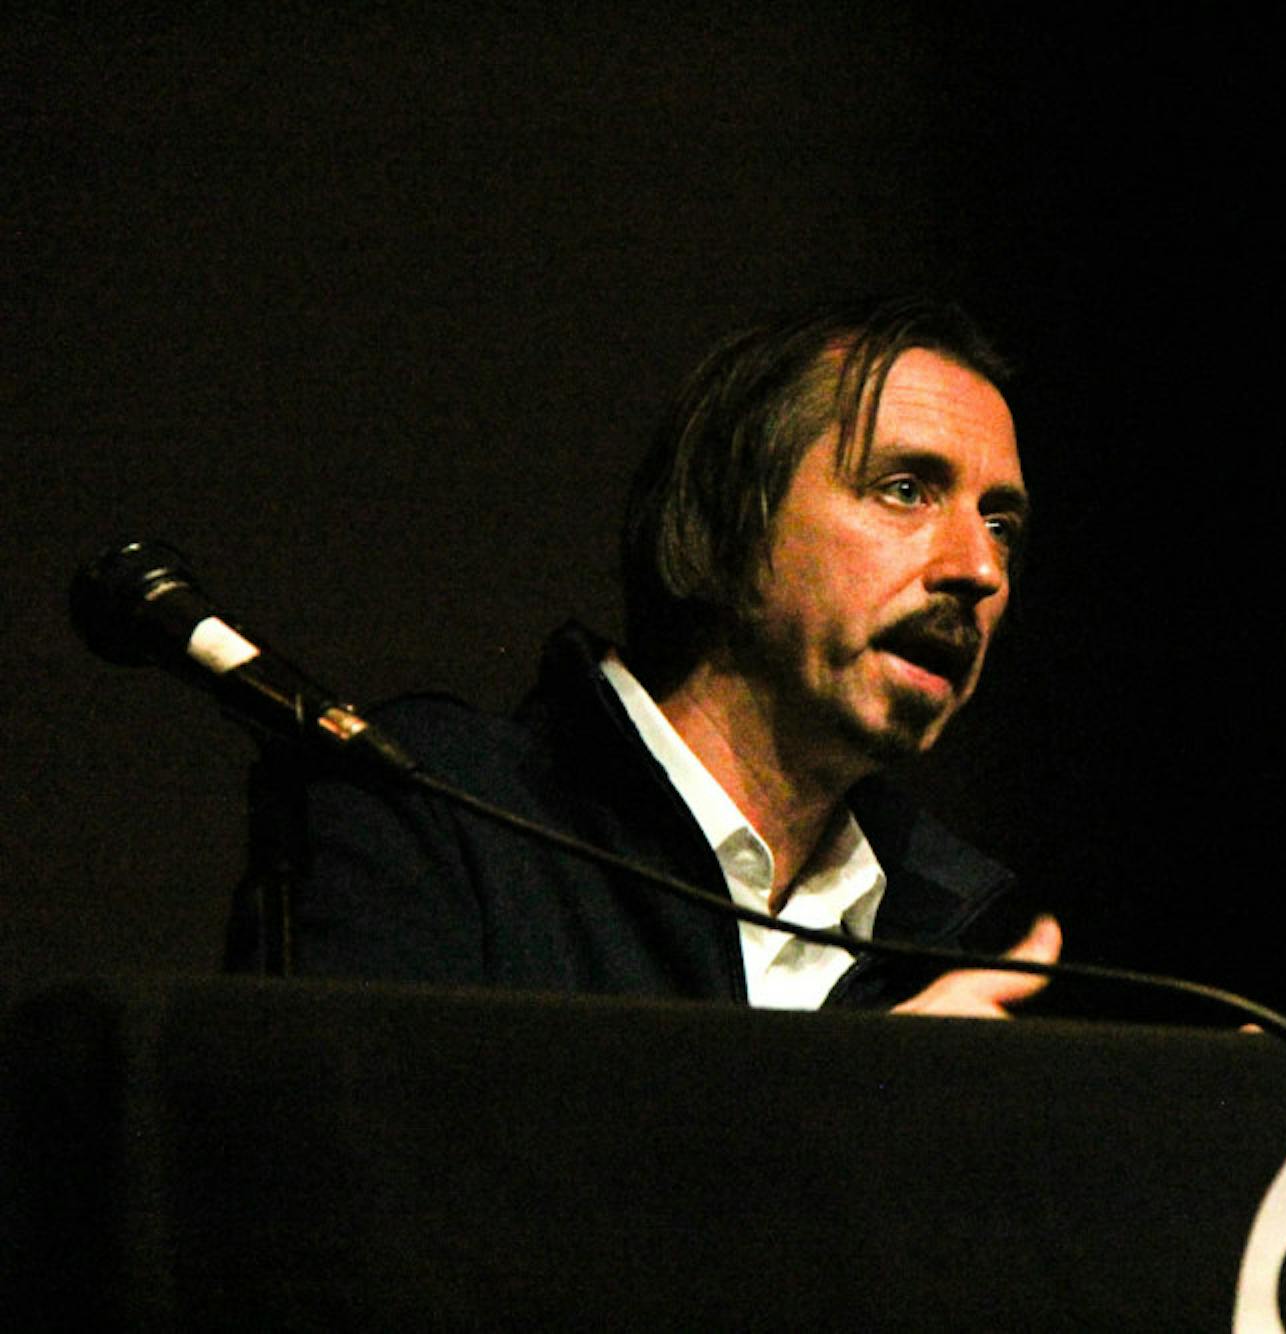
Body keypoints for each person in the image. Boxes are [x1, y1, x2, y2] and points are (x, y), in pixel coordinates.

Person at [228, 295, 1059, 1017]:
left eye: (1000, 525)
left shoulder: (955, 943)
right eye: (905, 490)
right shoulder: (428, 817)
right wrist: (858, 1107)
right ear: (732, 524)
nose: (980, 570)